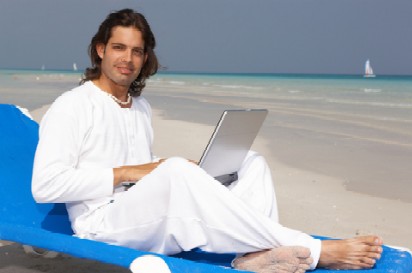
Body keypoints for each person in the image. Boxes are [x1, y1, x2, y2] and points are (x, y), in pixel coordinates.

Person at [32, 8, 383, 273]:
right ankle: (316, 251)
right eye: (118, 48)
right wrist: (132, 172)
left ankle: (254, 257)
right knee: (175, 172)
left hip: (143, 212)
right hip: (103, 224)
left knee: (250, 163)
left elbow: (145, 172)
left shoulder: (139, 107)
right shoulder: (72, 106)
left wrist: (177, 170)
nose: (127, 59)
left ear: (145, 57)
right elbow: (45, 186)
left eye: (137, 51)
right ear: (99, 51)